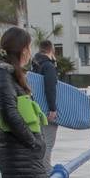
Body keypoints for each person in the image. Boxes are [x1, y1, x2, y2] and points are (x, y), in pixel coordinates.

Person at [0, 27, 47, 178]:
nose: (30, 53)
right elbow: (9, 113)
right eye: (28, 47)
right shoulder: (3, 75)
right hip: (16, 154)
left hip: (22, 154)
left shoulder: (12, 74)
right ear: (22, 49)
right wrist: (33, 141)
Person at [30, 40, 59, 168]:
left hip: (37, 108)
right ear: (51, 50)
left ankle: (41, 169)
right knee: (48, 143)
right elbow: (50, 87)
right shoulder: (48, 66)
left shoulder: (35, 65)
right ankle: (45, 173)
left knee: (41, 141)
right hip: (47, 111)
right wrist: (53, 109)